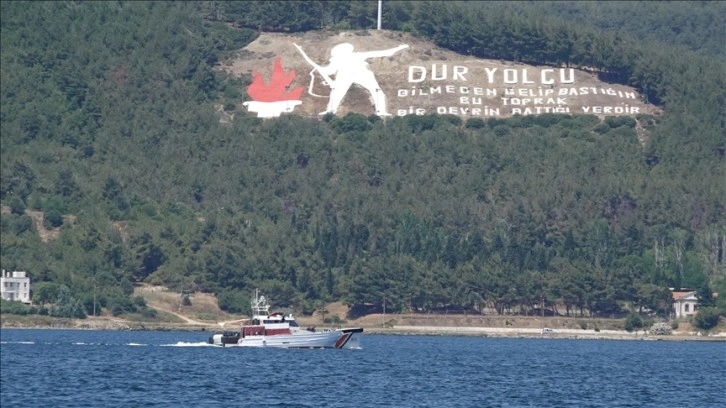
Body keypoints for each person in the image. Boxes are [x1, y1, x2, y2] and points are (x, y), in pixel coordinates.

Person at [299, 42, 409, 116]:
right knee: (336, 94)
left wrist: (400, 48)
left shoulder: (357, 56)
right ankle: (330, 111)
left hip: (362, 74)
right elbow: (329, 71)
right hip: (345, 76)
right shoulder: (338, 60)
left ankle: (381, 111)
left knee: (377, 92)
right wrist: (321, 69)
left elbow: (383, 53)